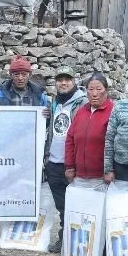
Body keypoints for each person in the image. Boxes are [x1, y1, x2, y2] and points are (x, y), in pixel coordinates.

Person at [44, 67, 82, 218]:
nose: (63, 83)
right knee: (61, 206)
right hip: (54, 162)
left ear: (74, 82)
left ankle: (74, 238)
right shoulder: (54, 102)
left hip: (71, 164)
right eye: (60, 80)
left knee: (75, 204)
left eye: (67, 80)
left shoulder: (82, 102)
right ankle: (63, 237)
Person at [65, 74, 114, 183]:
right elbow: (70, 139)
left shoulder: (113, 112)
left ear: (106, 90)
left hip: (103, 176)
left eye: (99, 89)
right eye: (91, 89)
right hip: (79, 176)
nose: (94, 94)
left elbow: (118, 144)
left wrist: (110, 170)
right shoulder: (82, 111)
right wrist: (69, 166)